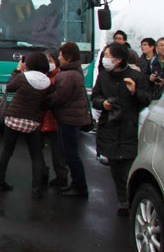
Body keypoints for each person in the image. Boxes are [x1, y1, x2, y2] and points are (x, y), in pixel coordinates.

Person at [91, 42, 151, 215]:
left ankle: (134, 202)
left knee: (130, 168)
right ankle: (123, 201)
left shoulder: (136, 77)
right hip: (109, 128)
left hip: (129, 129)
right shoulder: (103, 76)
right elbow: (95, 98)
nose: (104, 59)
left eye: (107, 56)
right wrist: (103, 103)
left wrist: (134, 91)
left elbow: (147, 99)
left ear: (118, 60)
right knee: (116, 169)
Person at [0, 51, 52, 200]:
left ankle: (0, 183)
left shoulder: (23, 77)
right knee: (36, 156)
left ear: (29, 63)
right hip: (32, 122)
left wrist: (16, 71)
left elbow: (9, 87)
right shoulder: (47, 82)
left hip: (13, 119)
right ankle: (36, 189)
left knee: (7, 152)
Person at [47, 41, 92, 198]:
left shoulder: (68, 75)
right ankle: (75, 184)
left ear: (69, 57)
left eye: (61, 55)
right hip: (70, 118)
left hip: (69, 120)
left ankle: (80, 186)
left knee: (71, 155)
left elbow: (58, 97)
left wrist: (45, 100)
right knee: (69, 153)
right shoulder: (73, 72)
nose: (59, 58)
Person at [39, 50, 69, 189]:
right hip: (40, 118)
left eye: (50, 60)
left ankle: (61, 177)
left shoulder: (61, 77)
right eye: (45, 61)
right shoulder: (40, 76)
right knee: (37, 149)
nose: (48, 64)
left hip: (55, 119)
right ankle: (42, 174)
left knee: (58, 152)